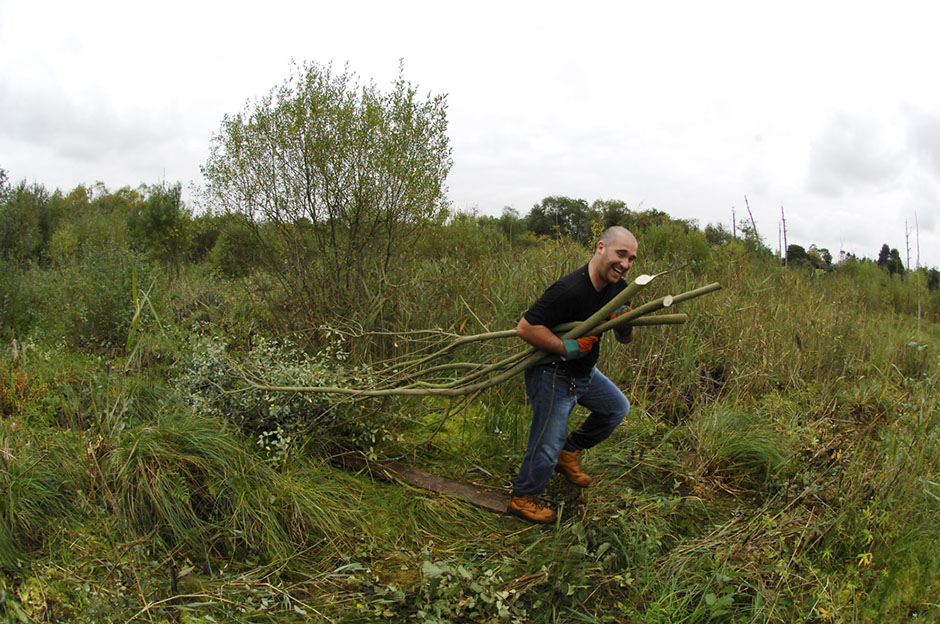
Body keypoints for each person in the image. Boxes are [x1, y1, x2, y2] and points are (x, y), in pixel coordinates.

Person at [508, 226, 638, 524]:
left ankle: (570, 452)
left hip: (584, 372)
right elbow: (525, 328)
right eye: (621, 254)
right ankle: (522, 498)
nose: (626, 264)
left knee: (616, 408)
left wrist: (623, 323)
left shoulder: (621, 288)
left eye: (632, 259)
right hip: (552, 373)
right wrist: (566, 347)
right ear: (601, 247)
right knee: (546, 443)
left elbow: (626, 339)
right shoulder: (569, 289)